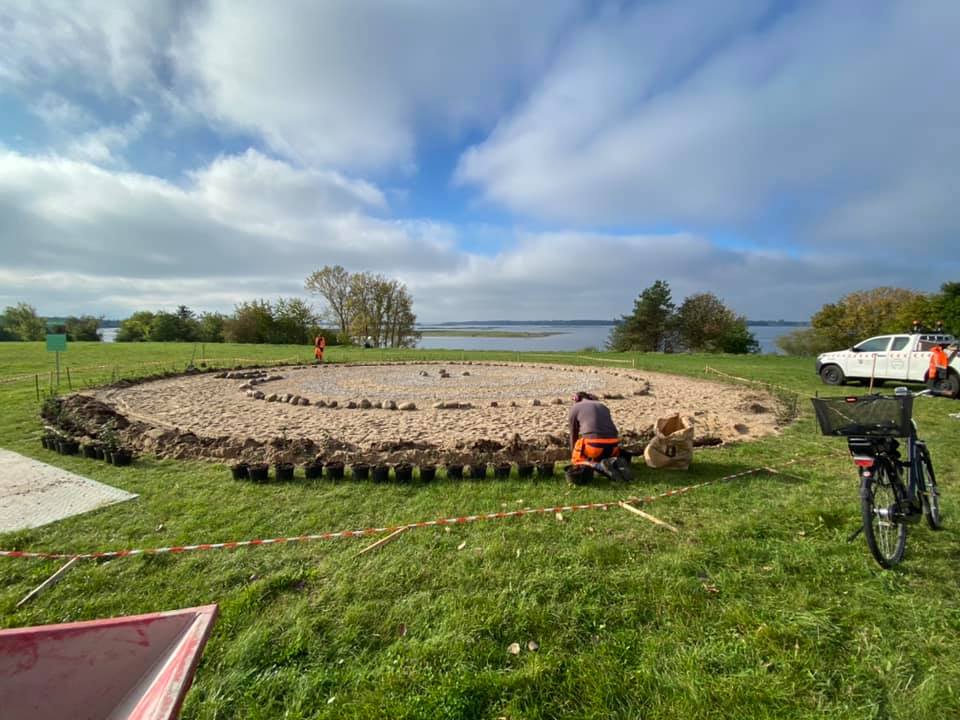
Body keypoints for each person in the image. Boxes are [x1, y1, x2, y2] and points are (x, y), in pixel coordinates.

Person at [568, 392, 632, 481]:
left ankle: (599, 466)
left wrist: (573, 456)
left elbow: (573, 434)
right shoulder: (602, 406)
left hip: (595, 447)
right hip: (613, 447)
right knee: (598, 448)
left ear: (577, 399)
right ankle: (615, 462)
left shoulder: (575, 408)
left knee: (577, 455)